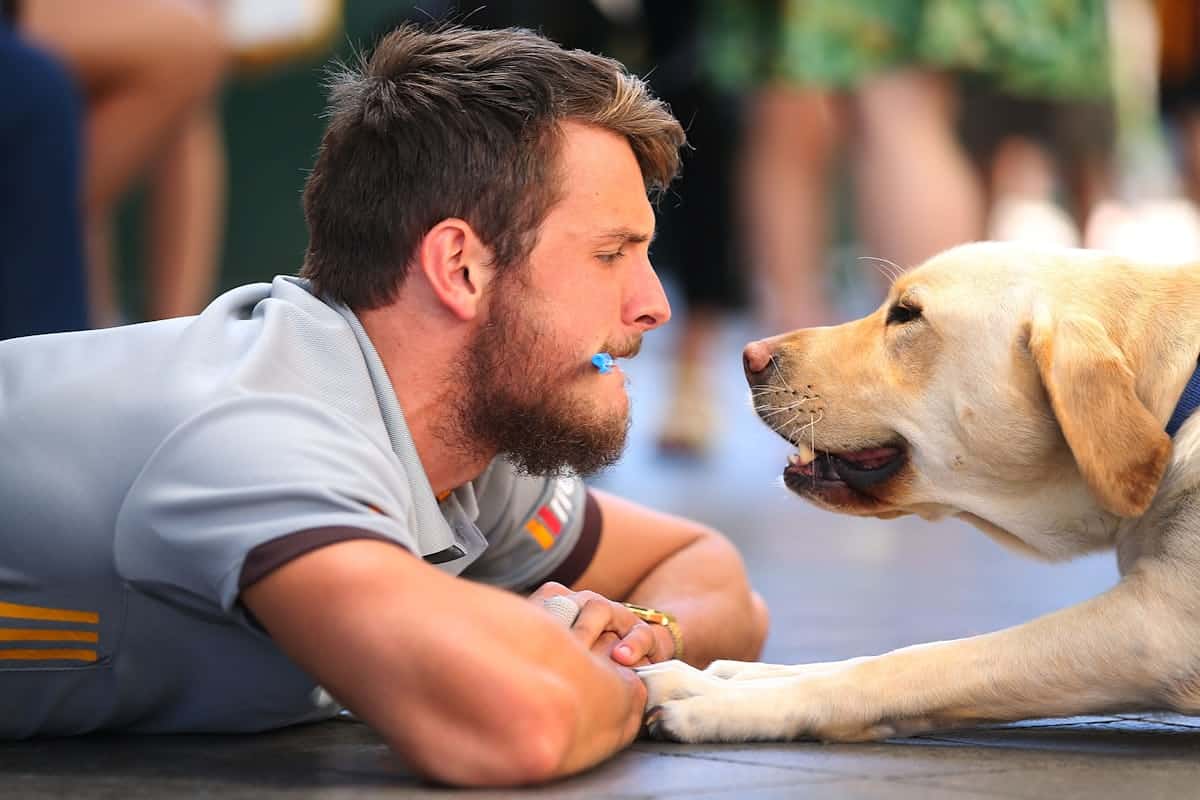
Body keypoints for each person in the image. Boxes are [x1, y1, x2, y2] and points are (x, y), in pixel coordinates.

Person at [0, 23, 768, 787]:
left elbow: (707, 572)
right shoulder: (262, 429)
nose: (654, 305)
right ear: (459, 266)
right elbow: (519, 723)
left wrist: (642, 639)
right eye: (610, 255)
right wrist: (545, 655)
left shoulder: (455, 442)